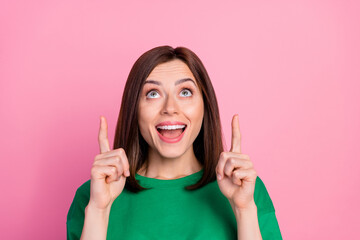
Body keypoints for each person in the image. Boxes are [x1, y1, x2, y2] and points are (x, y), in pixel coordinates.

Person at [66, 45, 282, 240]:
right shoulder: (92, 195)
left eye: (185, 92)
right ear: (135, 109)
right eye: (152, 94)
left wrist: (244, 210)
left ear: (205, 107)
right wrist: (99, 211)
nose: (170, 107)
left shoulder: (247, 190)